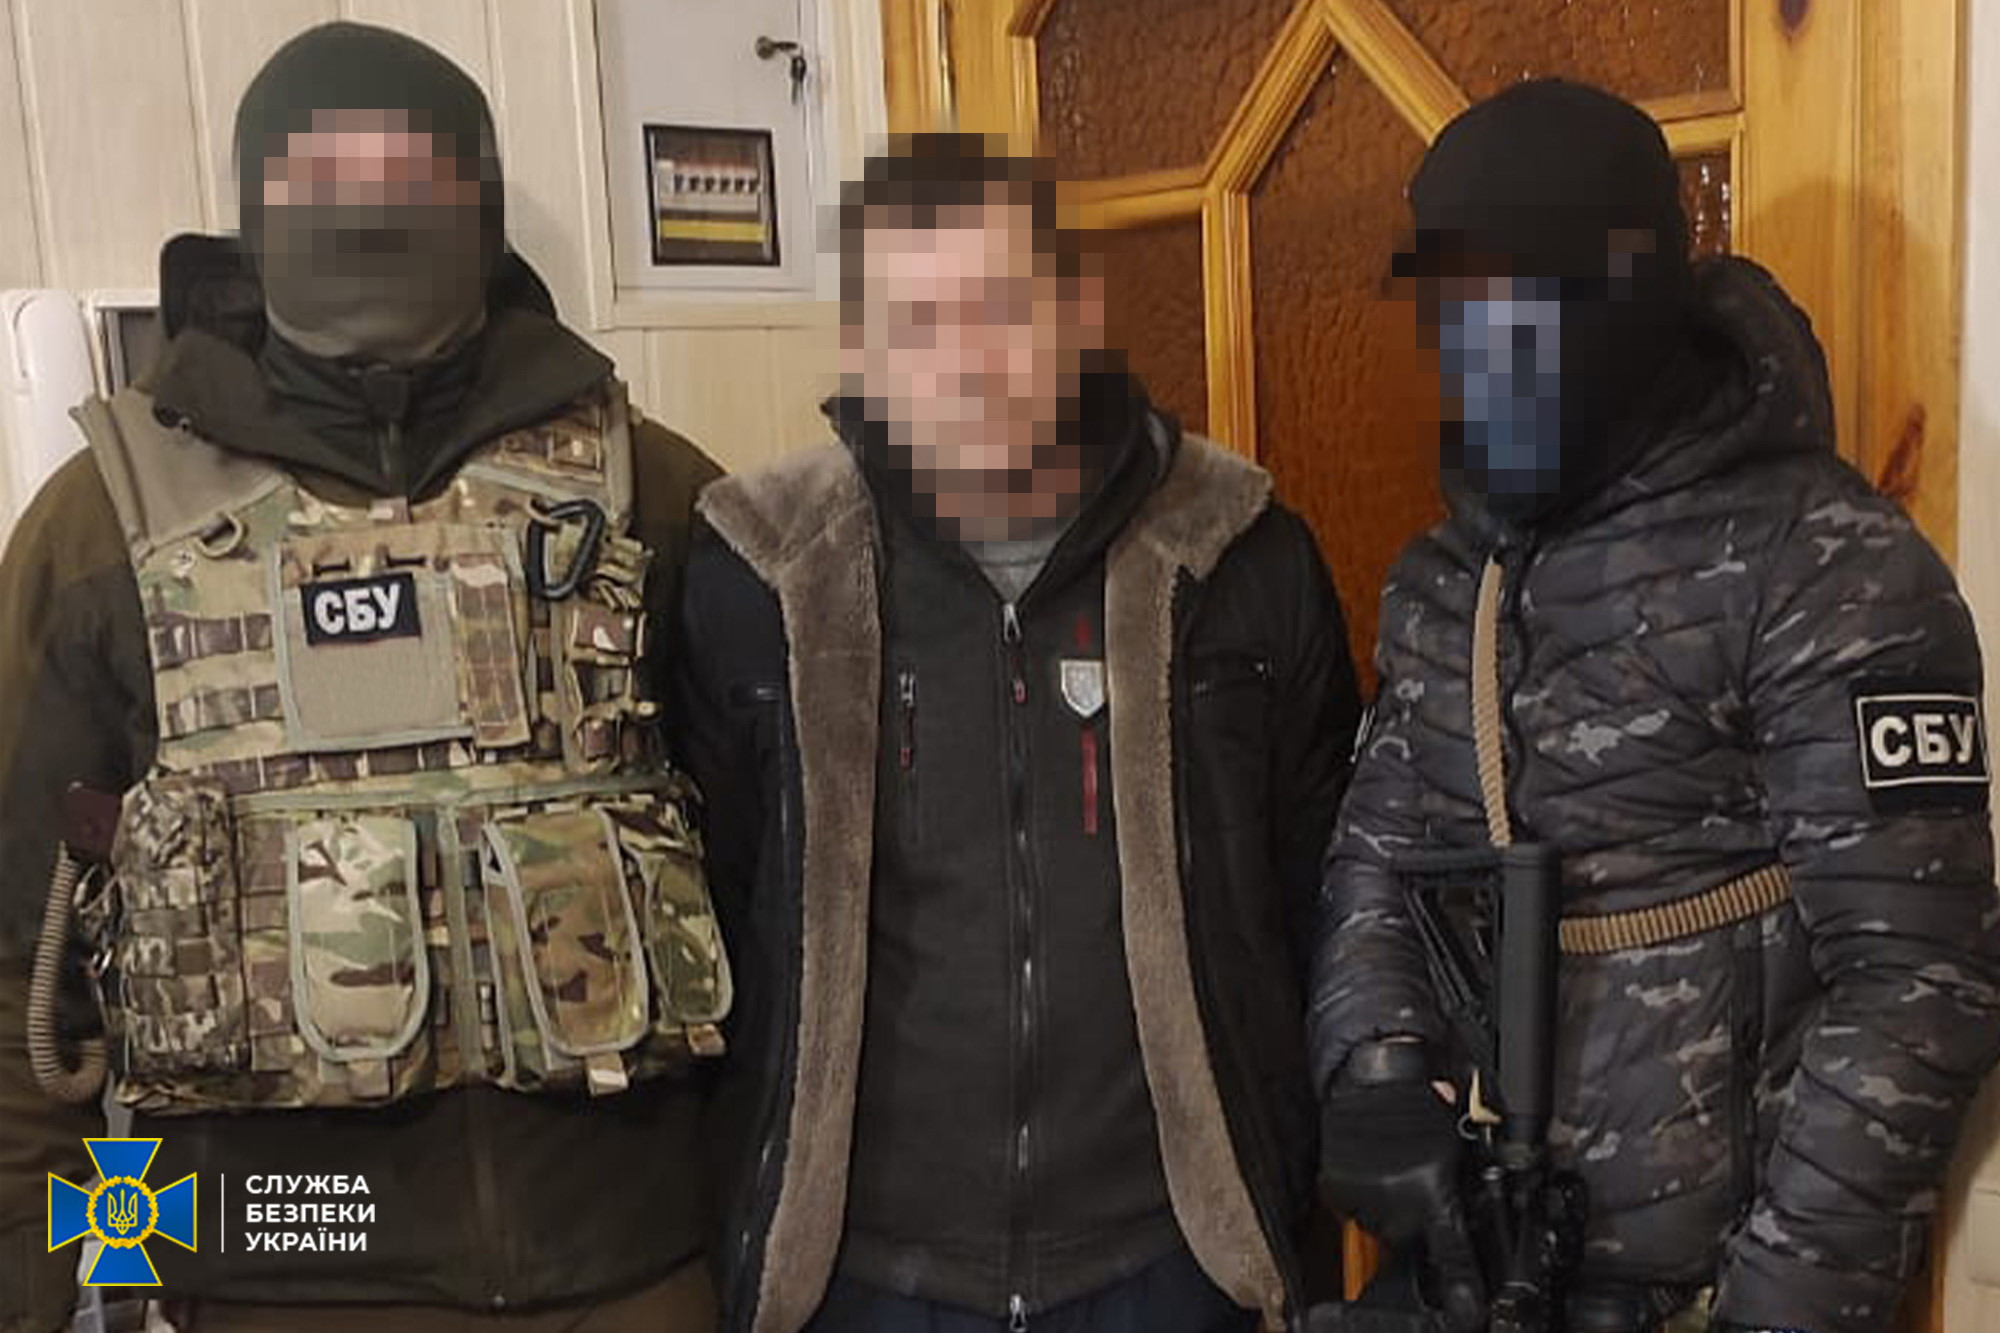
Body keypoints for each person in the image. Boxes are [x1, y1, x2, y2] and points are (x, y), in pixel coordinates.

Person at [0, 23, 725, 1333]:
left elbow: (786, 889)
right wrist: (52, 1282)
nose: (369, 214)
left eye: (411, 176)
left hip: (626, 1258)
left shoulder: (646, 487)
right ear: (250, 214)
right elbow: (19, 971)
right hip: (263, 1262)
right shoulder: (103, 521)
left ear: (482, 206)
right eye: (320, 179)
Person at [1309, 79, 2000, 1333]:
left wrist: (1776, 1308)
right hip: (1471, 1274)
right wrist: (1377, 1069)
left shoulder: (1823, 566)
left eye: (1524, 315)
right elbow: (1378, 854)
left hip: (1707, 1291)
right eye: (1456, 320)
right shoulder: (1445, 584)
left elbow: (1915, 979)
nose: (1482, 364)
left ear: (1629, 309)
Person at [673, 134, 1361, 1333]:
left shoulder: (1235, 549)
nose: (966, 363)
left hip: (1170, 1264)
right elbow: (717, 912)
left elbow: (1327, 894)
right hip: (861, 1281)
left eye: (1001, 307)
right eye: (917, 323)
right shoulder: (762, 571)